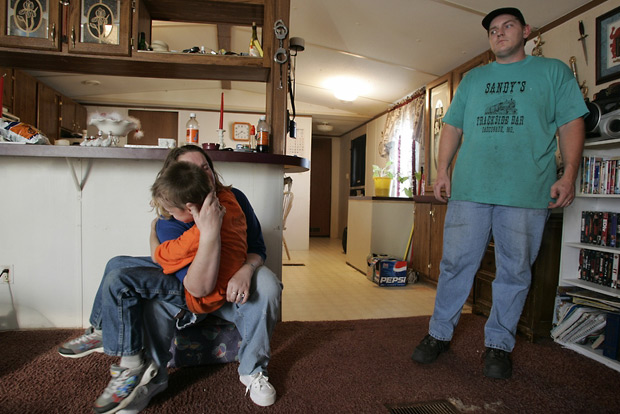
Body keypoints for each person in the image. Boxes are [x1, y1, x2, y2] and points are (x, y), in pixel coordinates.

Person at [410, 7, 588, 379]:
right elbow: (453, 127)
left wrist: (569, 174)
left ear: (526, 31)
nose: (499, 33)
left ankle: (498, 345)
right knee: (455, 265)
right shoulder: (474, 79)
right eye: (493, 30)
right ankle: (439, 334)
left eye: (508, 26)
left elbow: (571, 123)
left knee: (514, 271)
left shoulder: (552, 72)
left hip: (526, 191)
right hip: (470, 189)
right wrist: (442, 171)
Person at [58, 145, 282, 412]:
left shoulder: (233, 199)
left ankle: (253, 370)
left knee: (267, 283)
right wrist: (188, 235)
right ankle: (149, 374)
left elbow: (254, 248)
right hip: (192, 285)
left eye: (205, 168)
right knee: (118, 267)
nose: (201, 176)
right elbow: (188, 280)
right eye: (188, 170)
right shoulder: (171, 221)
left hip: (215, 288)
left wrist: (246, 269)